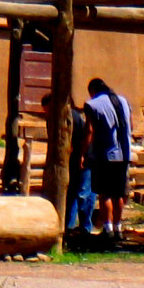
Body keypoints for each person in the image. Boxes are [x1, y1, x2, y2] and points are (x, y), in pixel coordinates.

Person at [85, 77, 133, 240]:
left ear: (92, 91)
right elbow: (130, 126)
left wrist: (85, 152)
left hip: (105, 154)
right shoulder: (123, 101)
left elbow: (90, 130)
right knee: (118, 193)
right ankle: (118, 227)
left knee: (104, 193)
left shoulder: (92, 105)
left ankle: (107, 228)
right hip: (124, 154)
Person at [44, 93, 93, 235]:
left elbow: (84, 136)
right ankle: (69, 226)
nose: (46, 113)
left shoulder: (71, 117)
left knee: (84, 192)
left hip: (84, 157)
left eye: (47, 109)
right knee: (70, 192)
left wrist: (82, 155)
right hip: (70, 159)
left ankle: (85, 228)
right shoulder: (52, 119)